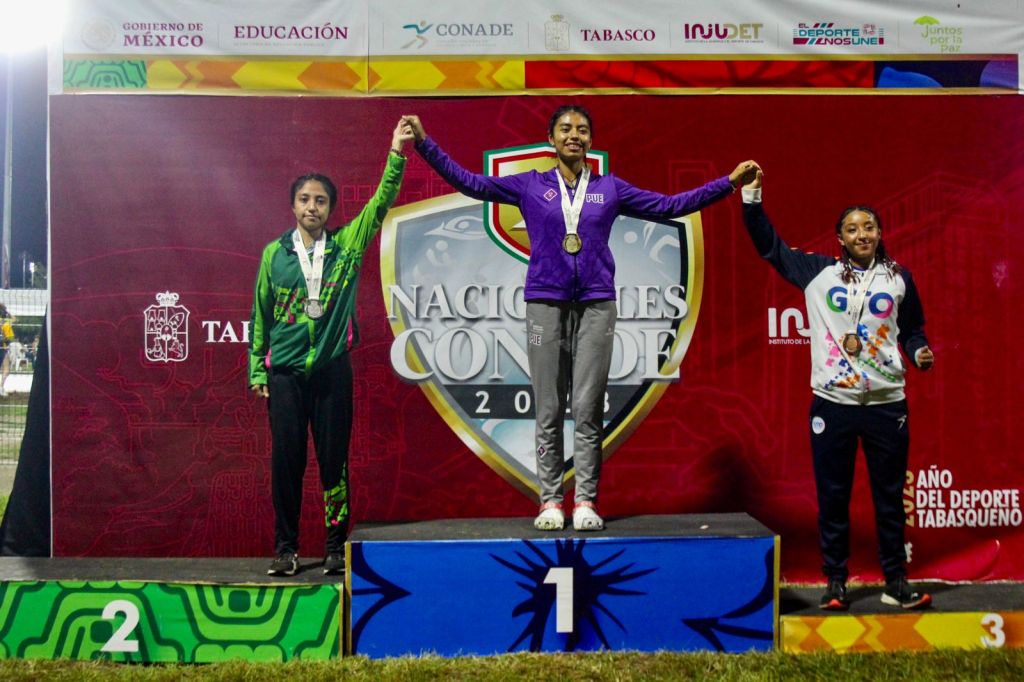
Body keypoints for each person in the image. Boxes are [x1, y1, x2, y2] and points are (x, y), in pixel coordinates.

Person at [403, 107, 758, 532]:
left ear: (591, 140)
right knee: (549, 409)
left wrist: (728, 183)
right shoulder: (531, 185)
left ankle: (586, 500)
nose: (574, 136)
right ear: (550, 138)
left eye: (583, 130)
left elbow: (669, 205)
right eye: (566, 129)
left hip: (596, 304)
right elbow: (471, 183)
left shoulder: (609, 188)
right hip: (545, 303)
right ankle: (551, 500)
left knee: (588, 409)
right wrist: (424, 143)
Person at [739, 169, 934, 610]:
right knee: (833, 497)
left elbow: (912, 330)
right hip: (834, 405)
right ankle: (836, 583)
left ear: (880, 233)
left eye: (868, 226)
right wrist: (752, 197)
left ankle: (896, 583)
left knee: (889, 499)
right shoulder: (818, 273)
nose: (861, 233)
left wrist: (919, 350)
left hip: (888, 405)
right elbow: (769, 246)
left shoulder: (900, 278)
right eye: (852, 229)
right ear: (840, 239)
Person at [249, 119, 412, 576]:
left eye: (321, 200)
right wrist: (257, 372)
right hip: (283, 374)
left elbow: (381, 204)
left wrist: (396, 155)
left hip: (333, 372)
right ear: (293, 206)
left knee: (333, 462)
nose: (312, 207)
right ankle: (286, 548)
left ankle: (336, 546)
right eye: (305, 199)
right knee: (286, 464)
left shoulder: (347, 245)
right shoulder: (273, 254)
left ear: (331, 208)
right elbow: (259, 315)